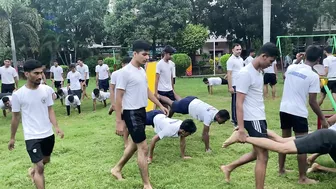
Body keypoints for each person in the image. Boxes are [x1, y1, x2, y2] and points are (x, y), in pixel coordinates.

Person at [111, 39, 169, 189]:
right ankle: (146, 184)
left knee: (134, 145)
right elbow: (118, 97)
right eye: (144, 54)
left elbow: (147, 90)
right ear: (135, 53)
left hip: (142, 111)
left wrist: (160, 104)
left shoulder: (141, 70)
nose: (147, 57)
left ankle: (116, 169)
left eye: (148, 54)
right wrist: (119, 121)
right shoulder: (124, 73)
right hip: (131, 113)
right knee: (143, 147)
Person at [220, 42, 279, 189]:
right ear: (263, 56)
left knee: (256, 152)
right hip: (253, 119)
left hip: (259, 117)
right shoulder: (246, 73)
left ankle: (228, 168)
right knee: (263, 156)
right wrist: (241, 129)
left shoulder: (258, 71)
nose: (270, 65)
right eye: (270, 61)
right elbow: (239, 103)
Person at [8, 59, 64, 189]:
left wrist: (56, 127)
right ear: (26, 74)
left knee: (45, 161)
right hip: (31, 135)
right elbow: (15, 117)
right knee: (40, 166)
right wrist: (12, 138)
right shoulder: (18, 95)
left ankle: (33, 171)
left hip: (48, 134)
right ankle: (37, 172)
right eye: (36, 73)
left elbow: (50, 110)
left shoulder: (47, 90)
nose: (40, 76)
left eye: (41, 73)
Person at [278, 45, 329, 184]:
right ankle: (302, 178)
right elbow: (313, 102)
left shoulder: (292, 68)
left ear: (305, 55)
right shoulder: (313, 76)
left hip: (284, 108)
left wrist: (296, 61)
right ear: (319, 59)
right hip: (298, 112)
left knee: (284, 139)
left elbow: (284, 75)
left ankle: (281, 169)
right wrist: (323, 119)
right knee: (302, 144)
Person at [222, 128, 336, 176]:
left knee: (280, 140)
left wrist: (313, 156)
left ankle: (251, 128)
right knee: (283, 148)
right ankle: (242, 137)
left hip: (326, 137)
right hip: (326, 139)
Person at [158, 95, 230, 152]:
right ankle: (158, 96)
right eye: (223, 120)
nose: (223, 123)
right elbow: (206, 133)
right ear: (218, 117)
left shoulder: (216, 112)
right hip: (187, 105)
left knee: (176, 104)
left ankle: (169, 114)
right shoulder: (209, 116)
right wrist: (207, 148)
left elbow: (205, 130)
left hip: (192, 99)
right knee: (171, 103)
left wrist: (203, 137)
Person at [155, 45, 180, 116]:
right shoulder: (159, 64)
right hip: (162, 90)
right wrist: (156, 92)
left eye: (172, 54)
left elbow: (171, 77)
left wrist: (173, 89)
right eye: (170, 54)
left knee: (174, 107)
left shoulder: (171, 64)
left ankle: (168, 119)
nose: (171, 56)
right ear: (165, 53)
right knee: (165, 109)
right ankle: (165, 121)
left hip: (169, 90)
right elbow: (156, 78)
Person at [226, 44, 244, 126]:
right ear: (232, 50)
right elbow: (229, 74)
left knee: (240, 102)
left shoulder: (241, 59)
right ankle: (234, 119)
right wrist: (230, 87)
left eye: (240, 49)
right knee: (235, 102)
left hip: (241, 83)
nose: (239, 51)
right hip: (234, 84)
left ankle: (240, 118)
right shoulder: (230, 60)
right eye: (237, 49)